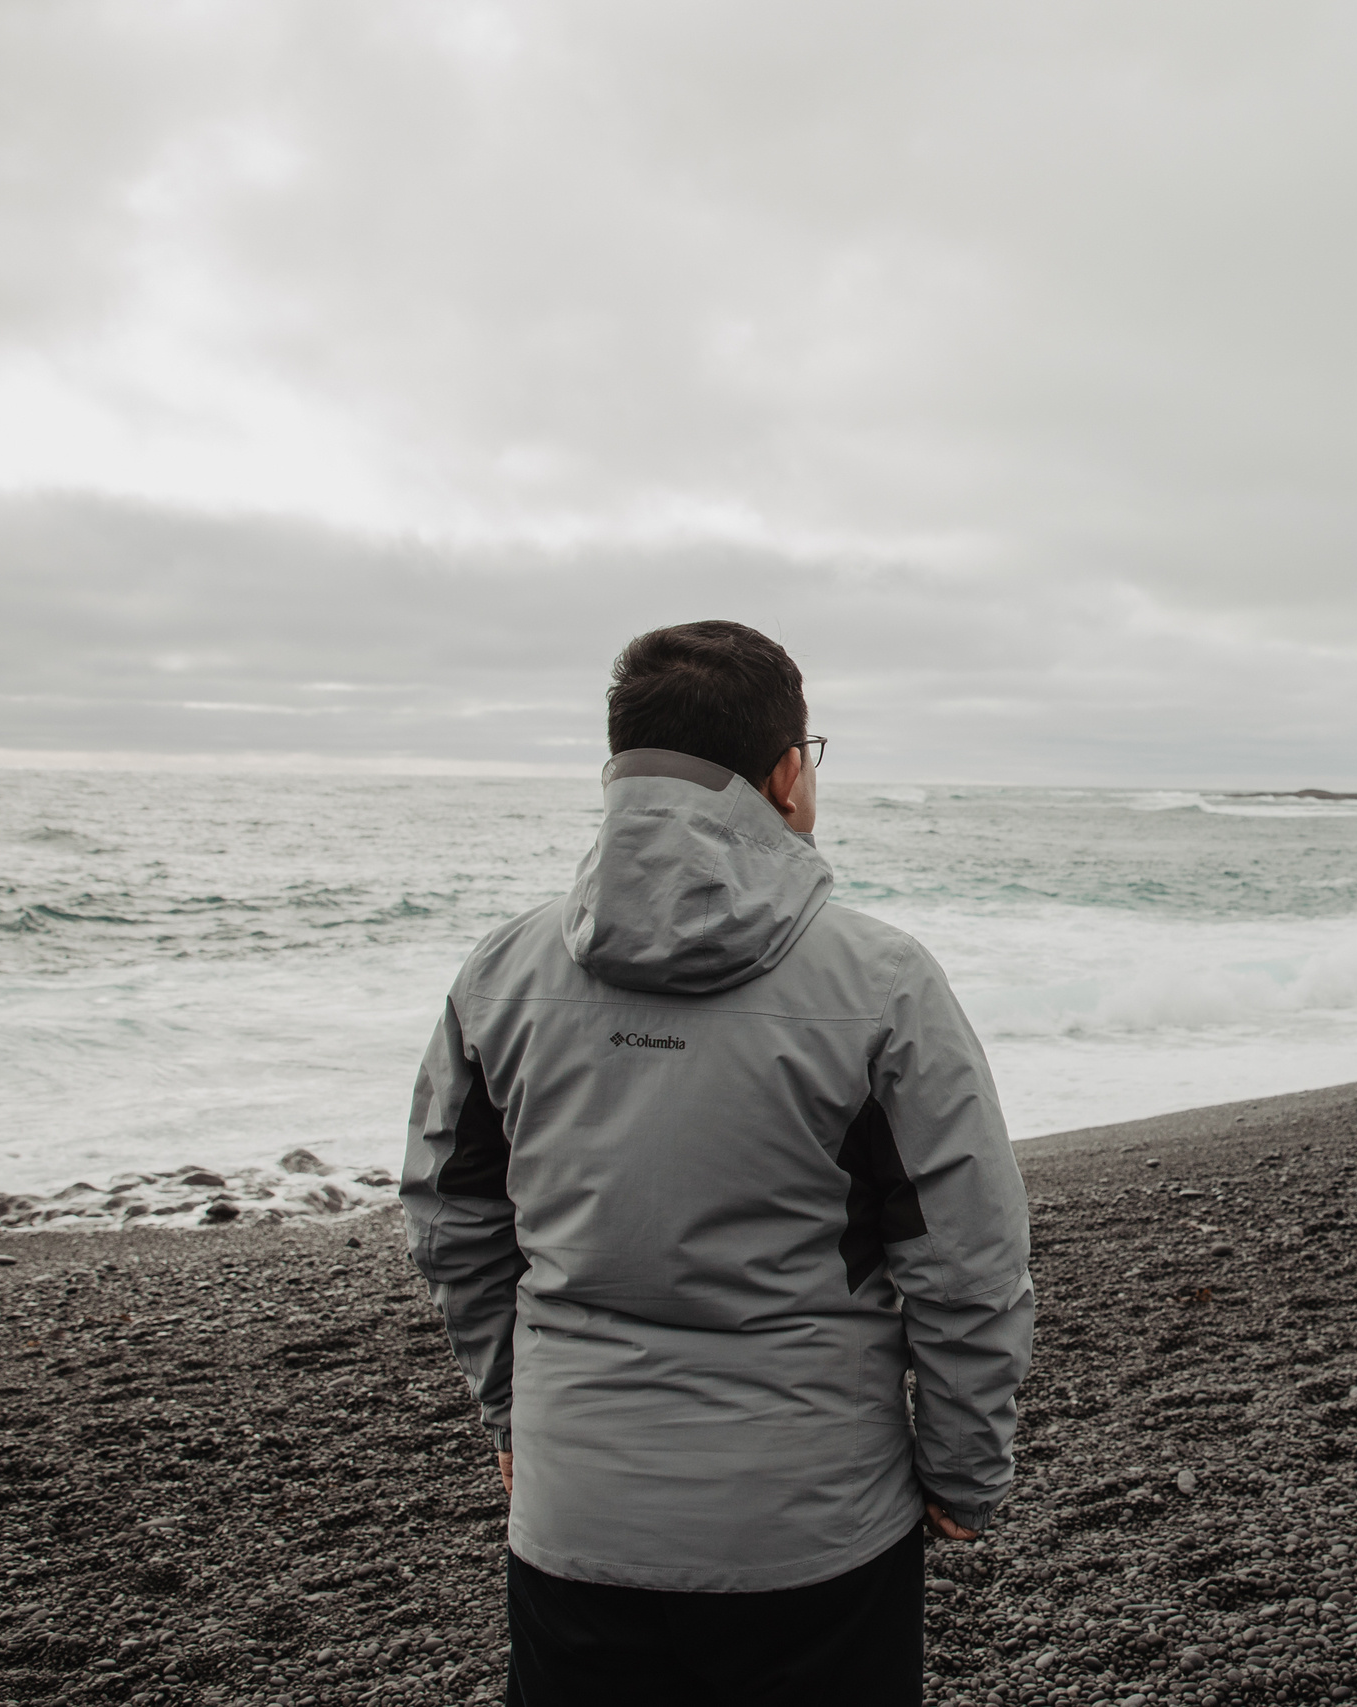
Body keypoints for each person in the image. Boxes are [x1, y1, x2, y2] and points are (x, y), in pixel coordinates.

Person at [401, 619, 1033, 1705]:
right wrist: (965, 1467)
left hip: (576, 1510)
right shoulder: (879, 980)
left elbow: (452, 1221)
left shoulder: (501, 971)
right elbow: (964, 1254)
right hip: (811, 1523)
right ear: (788, 773)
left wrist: (515, 1414)